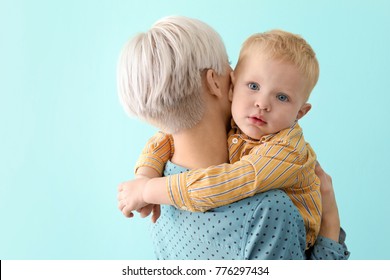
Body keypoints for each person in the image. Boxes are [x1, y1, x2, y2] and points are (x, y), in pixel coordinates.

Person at [117, 16, 349, 259]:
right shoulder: (269, 210)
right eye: (252, 85)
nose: (261, 103)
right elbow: (169, 142)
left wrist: (146, 182)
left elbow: (168, 142)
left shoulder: (160, 189)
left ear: (301, 112)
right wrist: (331, 226)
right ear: (217, 83)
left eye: (281, 97)